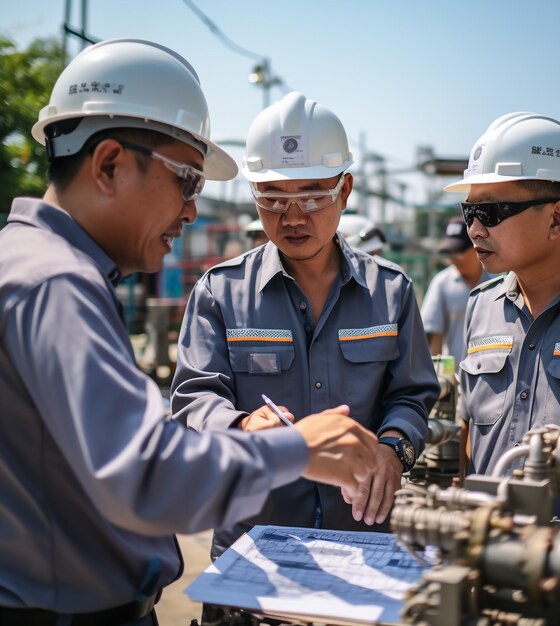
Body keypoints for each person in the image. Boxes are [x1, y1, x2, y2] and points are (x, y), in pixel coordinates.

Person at [0, 39, 379, 625]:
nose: (192, 211)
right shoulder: (56, 283)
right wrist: (298, 448)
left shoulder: (27, 264)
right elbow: (147, 474)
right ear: (108, 166)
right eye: (187, 181)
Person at [171, 91, 439, 561]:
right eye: (272, 198)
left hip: (364, 540)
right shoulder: (219, 293)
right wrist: (242, 424)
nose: (291, 217)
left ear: (346, 190)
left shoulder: (391, 292)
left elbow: (411, 395)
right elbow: (194, 399)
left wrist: (393, 450)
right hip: (253, 547)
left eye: (313, 197)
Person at [444, 112, 560, 513]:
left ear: (558, 218)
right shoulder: (481, 307)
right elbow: (468, 435)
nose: (474, 229)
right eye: (468, 211)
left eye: (489, 212)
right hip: (483, 553)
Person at [420, 215, 493, 369]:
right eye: (450, 253)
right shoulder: (442, 283)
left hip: (492, 377)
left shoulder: (497, 283)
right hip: (454, 379)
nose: (454, 259)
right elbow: (433, 337)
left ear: (476, 247)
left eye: (458, 252)